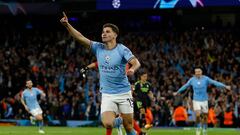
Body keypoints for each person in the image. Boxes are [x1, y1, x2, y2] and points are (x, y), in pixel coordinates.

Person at [60, 12, 141, 135]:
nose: (104, 33)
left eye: (108, 31)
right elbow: (80, 37)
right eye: (103, 31)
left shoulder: (122, 49)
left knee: (129, 127)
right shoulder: (98, 47)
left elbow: (136, 62)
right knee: (107, 123)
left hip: (124, 93)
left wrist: (132, 69)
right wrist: (67, 25)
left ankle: (124, 125)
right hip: (108, 94)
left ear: (115, 35)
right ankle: (118, 122)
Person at [173, 67, 231, 135]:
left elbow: (215, 83)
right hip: (196, 100)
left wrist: (225, 86)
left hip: (204, 100)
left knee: (204, 117)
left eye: (199, 71)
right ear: (195, 73)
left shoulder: (206, 79)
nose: (197, 73)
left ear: (201, 72)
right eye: (196, 72)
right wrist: (177, 92)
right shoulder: (192, 80)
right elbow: (185, 86)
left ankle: (204, 129)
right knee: (198, 115)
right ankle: (198, 129)